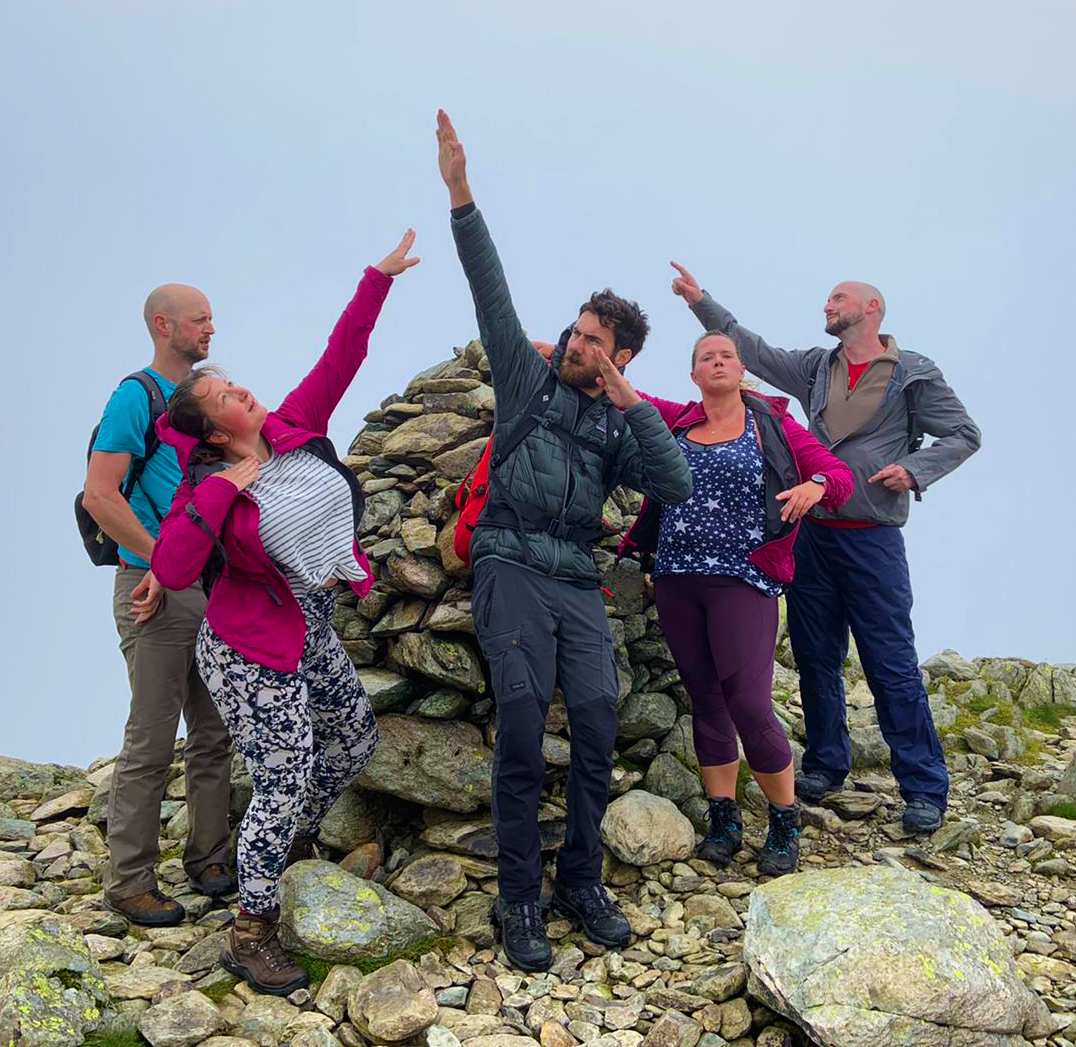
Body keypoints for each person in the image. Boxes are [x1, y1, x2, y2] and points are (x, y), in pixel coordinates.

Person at [436, 110, 692, 973]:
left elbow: (675, 485)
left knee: (595, 718)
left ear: (620, 356)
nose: (577, 344)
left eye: (594, 342)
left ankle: (581, 878)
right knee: (518, 716)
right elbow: (490, 289)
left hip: (577, 580)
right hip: (509, 562)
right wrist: (462, 194)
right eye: (577, 333)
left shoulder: (622, 422)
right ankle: (518, 900)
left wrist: (635, 408)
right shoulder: (525, 379)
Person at [150, 231, 419, 995]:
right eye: (226, 397)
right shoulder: (208, 486)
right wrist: (225, 489)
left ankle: (285, 844)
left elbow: (345, 354)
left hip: (311, 627)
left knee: (353, 739)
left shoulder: (295, 426)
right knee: (282, 772)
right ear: (210, 428)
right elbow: (172, 568)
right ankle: (251, 929)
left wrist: (377, 278)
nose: (243, 392)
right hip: (248, 646)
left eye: (237, 385)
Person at [669, 264, 981, 834]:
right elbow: (752, 351)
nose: (827, 305)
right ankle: (825, 764)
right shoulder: (818, 365)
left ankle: (923, 787)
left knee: (889, 661)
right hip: (810, 532)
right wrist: (701, 303)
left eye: (838, 298)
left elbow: (964, 434)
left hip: (872, 537)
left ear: (871, 310)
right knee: (815, 655)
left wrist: (914, 470)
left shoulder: (913, 373)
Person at [619, 332, 853, 875]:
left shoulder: (772, 425)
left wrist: (816, 485)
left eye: (726, 355)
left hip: (744, 581)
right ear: (695, 375)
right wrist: (567, 355)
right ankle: (723, 818)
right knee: (706, 700)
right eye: (706, 357)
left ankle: (784, 818)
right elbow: (621, 393)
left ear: (741, 369)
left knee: (748, 703)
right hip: (677, 578)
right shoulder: (677, 421)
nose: (717, 362)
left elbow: (838, 476)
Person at [82, 284, 235, 927]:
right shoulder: (135, 397)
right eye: (200, 318)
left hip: (208, 588)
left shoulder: (201, 400)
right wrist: (159, 562)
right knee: (151, 738)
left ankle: (210, 859)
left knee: (214, 732)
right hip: (154, 588)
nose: (211, 327)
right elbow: (100, 494)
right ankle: (129, 882)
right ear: (163, 324)